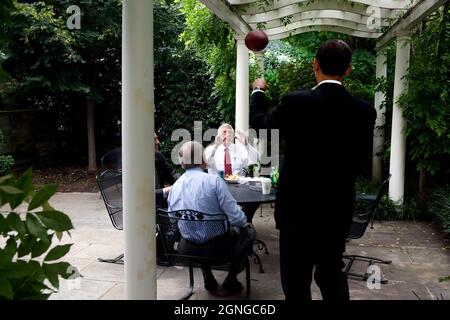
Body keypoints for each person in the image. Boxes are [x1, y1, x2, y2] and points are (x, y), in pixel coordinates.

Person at [250, 40, 376, 301]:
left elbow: (262, 126)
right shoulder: (364, 111)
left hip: (296, 210)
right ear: (349, 70)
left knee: (295, 282)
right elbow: (361, 161)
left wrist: (258, 93)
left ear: (315, 64)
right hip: (336, 210)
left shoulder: (296, 102)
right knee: (331, 274)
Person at [168, 141, 254, 295]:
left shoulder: (175, 186)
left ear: (182, 164)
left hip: (187, 249)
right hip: (219, 250)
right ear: (203, 160)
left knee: (197, 230)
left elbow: (173, 219)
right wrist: (242, 224)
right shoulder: (214, 182)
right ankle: (230, 281)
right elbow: (237, 218)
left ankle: (208, 277)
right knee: (249, 232)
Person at [204, 124, 260, 222]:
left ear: (233, 136)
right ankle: (235, 221)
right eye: (224, 132)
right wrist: (216, 146)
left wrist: (246, 144)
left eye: (229, 132)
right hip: (217, 189)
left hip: (238, 188)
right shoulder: (211, 149)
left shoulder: (240, 149)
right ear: (218, 136)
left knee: (255, 199)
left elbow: (255, 159)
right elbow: (205, 164)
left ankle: (245, 220)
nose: (227, 135)